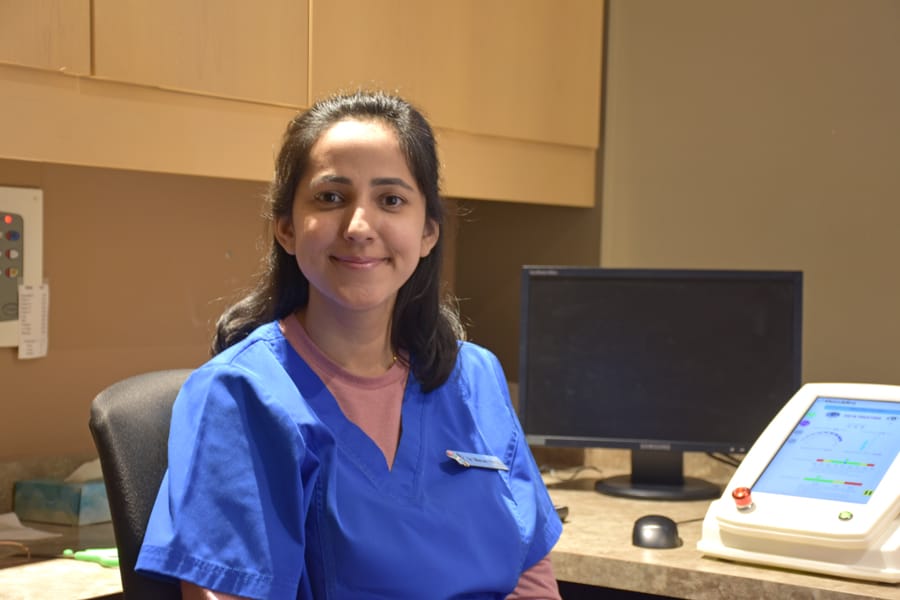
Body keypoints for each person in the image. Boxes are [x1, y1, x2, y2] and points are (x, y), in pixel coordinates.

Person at [136, 90, 563, 599]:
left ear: (427, 232)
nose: (359, 227)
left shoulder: (476, 377)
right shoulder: (240, 396)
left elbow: (531, 578)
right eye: (331, 198)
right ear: (287, 229)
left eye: (391, 200)